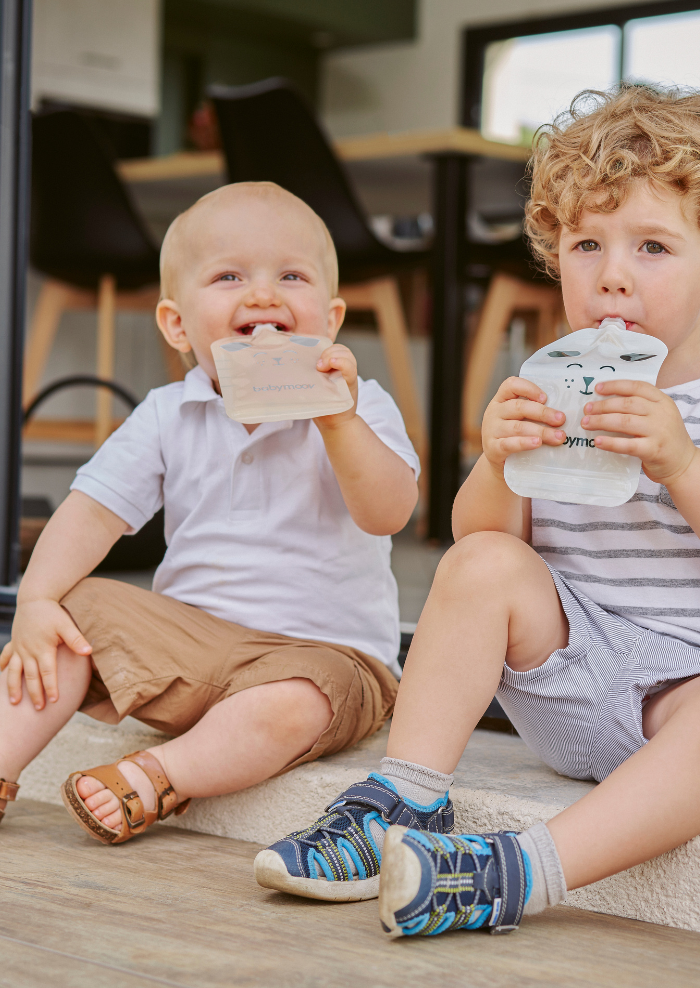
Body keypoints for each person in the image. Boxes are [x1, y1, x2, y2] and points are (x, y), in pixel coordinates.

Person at [258, 87, 700, 937]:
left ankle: (512, 874)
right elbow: (481, 552)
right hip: (571, 685)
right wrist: (497, 461)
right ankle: (399, 805)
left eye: (653, 246)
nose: (613, 274)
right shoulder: (548, 386)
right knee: (477, 562)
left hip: (695, 698)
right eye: (586, 243)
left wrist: (683, 463)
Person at [0, 182, 444, 847]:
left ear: (330, 318)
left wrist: (339, 423)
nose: (263, 295)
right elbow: (91, 514)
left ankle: (159, 775)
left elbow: (388, 513)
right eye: (230, 276)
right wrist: (35, 600)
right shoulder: (166, 415)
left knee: (299, 700)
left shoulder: (360, 405)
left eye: (290, 276)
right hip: (191, 649)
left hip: (324, 660)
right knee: (73, 611)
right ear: (177, 325)